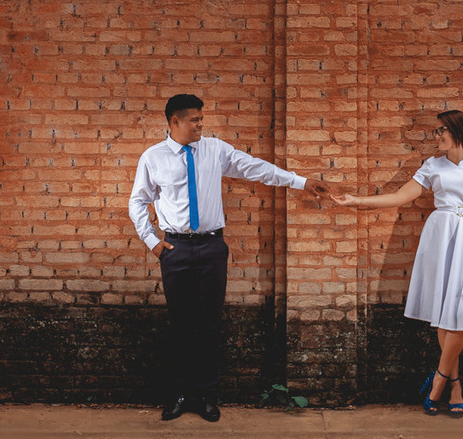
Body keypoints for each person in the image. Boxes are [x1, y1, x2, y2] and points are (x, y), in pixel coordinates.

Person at [128, 93, 329, 422]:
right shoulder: (153, 158)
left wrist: (301, 182)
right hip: (175, 250)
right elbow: (138, 202)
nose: (200, 124)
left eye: (201, 118)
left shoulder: (215, 150)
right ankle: (180, 394)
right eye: (194, 119)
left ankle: (206, 395)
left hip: (211, 249)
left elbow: (256, 169)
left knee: (208, 325)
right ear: (175, 121)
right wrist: (152, 242)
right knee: (181, 326)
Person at [331, 109, 463, 418]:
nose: (436, 136)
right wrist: (356, 201)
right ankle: (455, 387)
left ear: (458, 131)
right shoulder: (432, 166)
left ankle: (438, 381)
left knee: (462, 314)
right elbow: (400, 196)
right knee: (444, 315)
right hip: (441, 238)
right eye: (435, 131)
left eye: (441, 131)